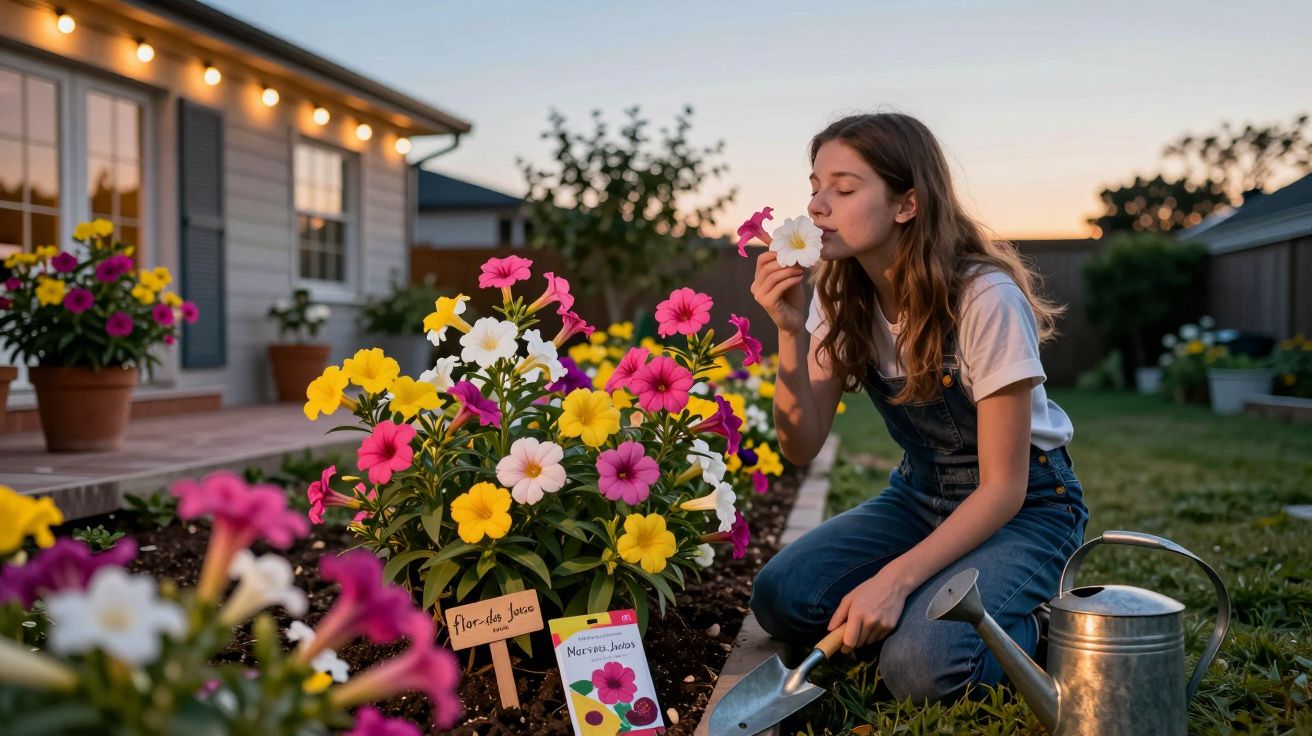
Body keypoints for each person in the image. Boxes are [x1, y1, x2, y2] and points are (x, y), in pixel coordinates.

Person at [747, 112, 1089, 703]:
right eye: (814, 188)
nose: (818, 205)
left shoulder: (984, 297)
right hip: (920, 497)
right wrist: (787, 332)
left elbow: (1002, 489)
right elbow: (800, 445)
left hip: (1026, 507)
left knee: (922, 669)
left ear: (907, 204)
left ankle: (1039, 626)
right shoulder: (841, 295)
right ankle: (936, 597)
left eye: (844, 188)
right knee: (782, 597)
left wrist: (892, 580)